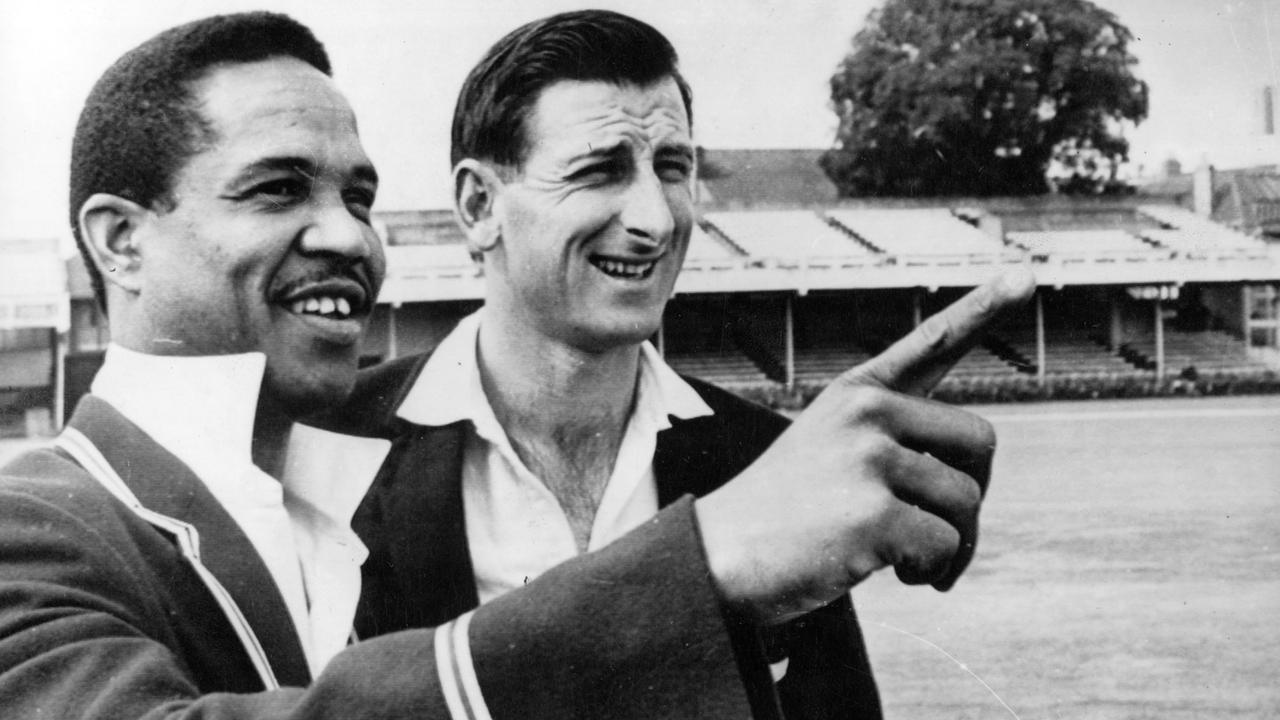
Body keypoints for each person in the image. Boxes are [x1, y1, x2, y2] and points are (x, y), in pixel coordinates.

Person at [0, 12, 810, 719]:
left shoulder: (321, 496)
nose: (351, 239)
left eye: (359, 199)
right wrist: (701, 571)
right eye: (279, 189)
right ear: (120, 241)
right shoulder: (28, 531)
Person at [315, 10, 1034, 720]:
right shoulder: (320, 446)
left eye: (672, 168)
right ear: (479, 206)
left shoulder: (765, 458)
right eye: (600, 171)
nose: (656, 219)